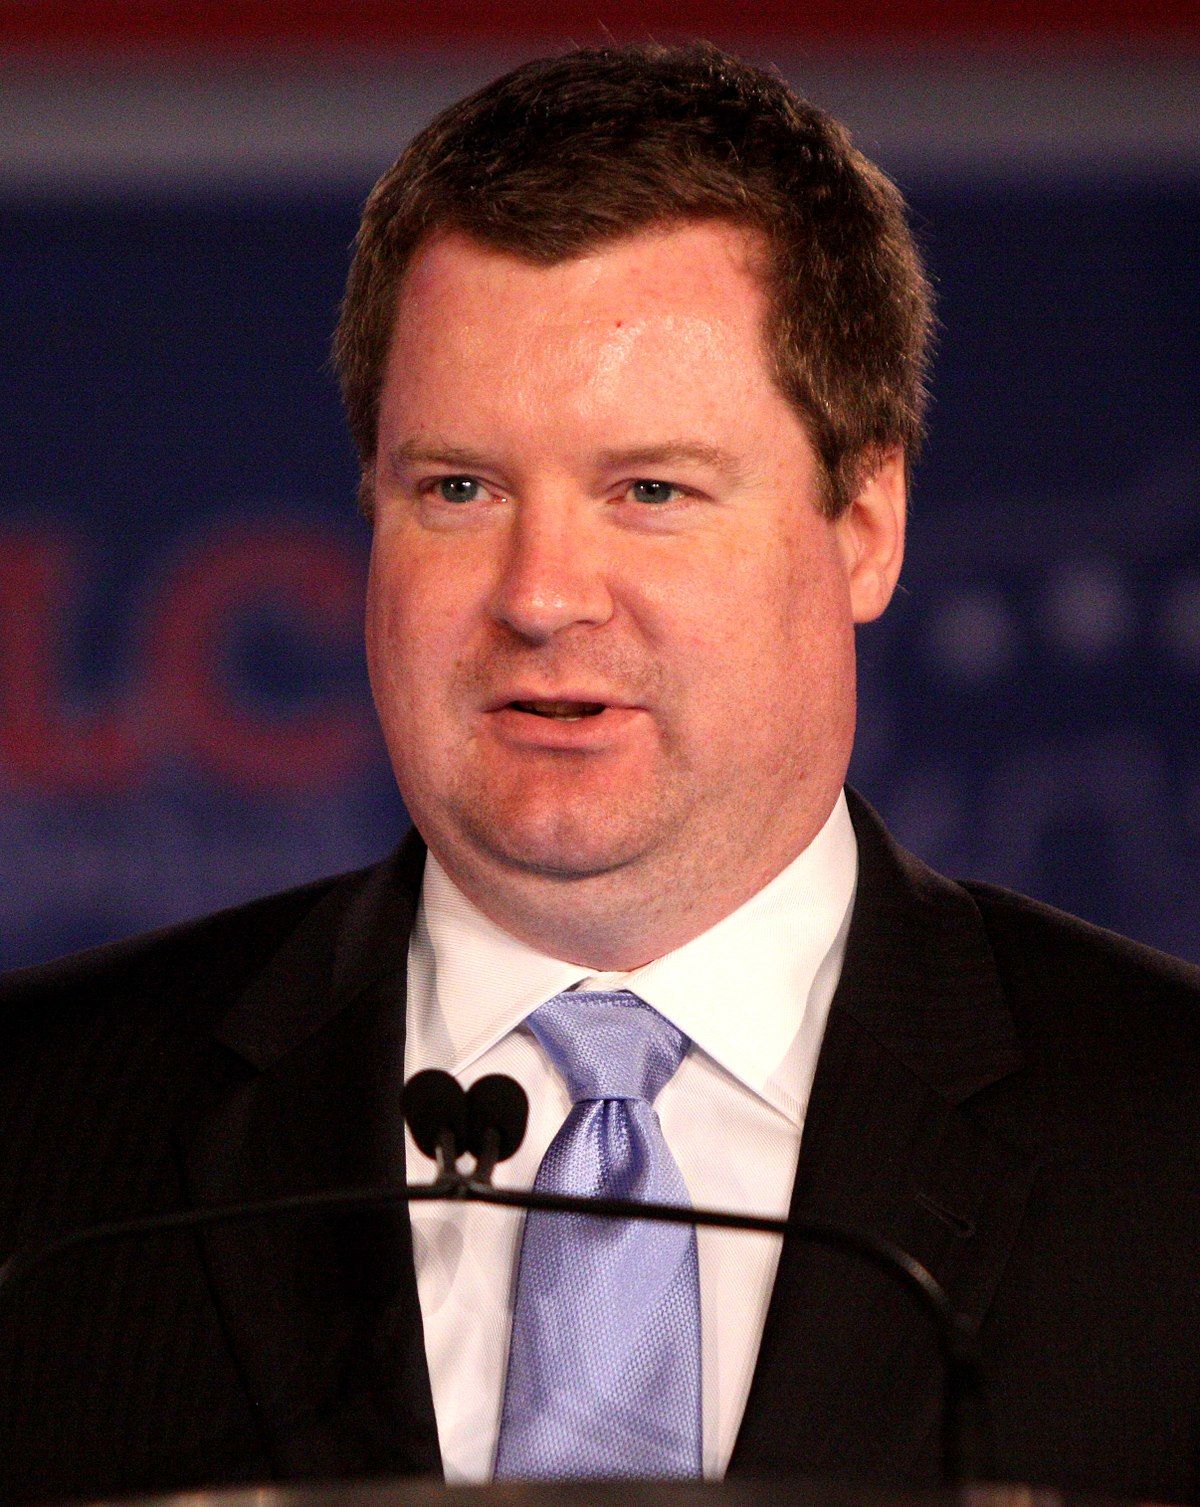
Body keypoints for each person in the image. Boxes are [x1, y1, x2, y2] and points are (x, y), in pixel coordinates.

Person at [2, 41, 1198, 1507]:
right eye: (459, 489)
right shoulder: (38, 1143)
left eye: (650, 490)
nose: (541, 594)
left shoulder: (1170, 1141)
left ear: (866, 523)